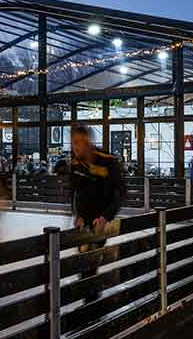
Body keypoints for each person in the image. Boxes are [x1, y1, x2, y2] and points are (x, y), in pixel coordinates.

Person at [70, 125, 124, 301]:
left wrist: (106, 216)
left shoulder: (107, 161)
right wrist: (76, 214)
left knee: (91, 261)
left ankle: (91, 300)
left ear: (88, 142)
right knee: (83, 262)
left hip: (99, 222)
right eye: (73, 143)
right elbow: (73, 192)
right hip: (83, 223)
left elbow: (120, 192)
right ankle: (89, 298)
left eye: (78, 142)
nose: (75, 147)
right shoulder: (76, 164)